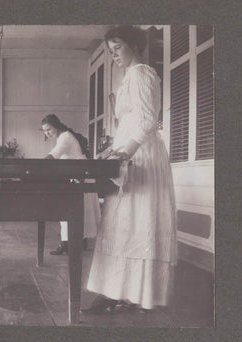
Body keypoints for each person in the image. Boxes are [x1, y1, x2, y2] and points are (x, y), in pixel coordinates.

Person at [82, 26, 177, 314]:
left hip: (143, 157)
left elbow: (149, 120)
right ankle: (117, 291)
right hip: (129, 156)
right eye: (110, 51)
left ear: (134, 45)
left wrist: (127, 152)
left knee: (138, 222)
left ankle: (137, 294)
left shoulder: (142, 73)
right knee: (121, 223)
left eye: (118, 48)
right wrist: (112, 150)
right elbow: (130, 123)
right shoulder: (128, 80)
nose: (114, 56)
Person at [41, 114, 101, 255]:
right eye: (44, 131)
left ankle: (69, 244)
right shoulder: (64, 136)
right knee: (74, 212)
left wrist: (37, 165)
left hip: (81, 178)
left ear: (56, 126)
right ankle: (74, 243)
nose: (47, 133)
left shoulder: (65, 137)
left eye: (48, 129)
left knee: (75, 212)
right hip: (78, 177)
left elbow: (53, 156)